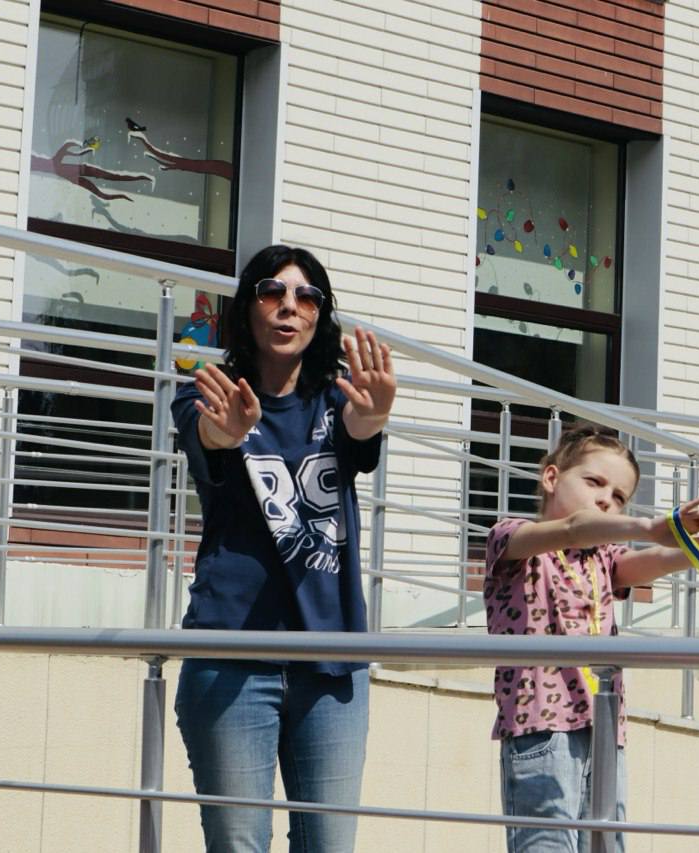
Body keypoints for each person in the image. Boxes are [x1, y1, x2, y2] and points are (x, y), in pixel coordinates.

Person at [486, 424, 699, 853]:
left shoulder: (602, 559)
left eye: (619, 496)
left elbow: (656, 559)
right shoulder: (511, 537)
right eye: (594, 482)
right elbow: (574, 528)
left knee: (607, 846)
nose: (606, 499)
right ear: (551, 478)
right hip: (540, 727)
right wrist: (648, 526)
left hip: (603, 728)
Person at [170, 244, 396, 852]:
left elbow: (358, 434)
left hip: (332, 661)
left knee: (329, 846)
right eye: (272, 291)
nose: (288, 306)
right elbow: (208, 435)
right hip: (231, 654)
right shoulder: (208, 394)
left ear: (320, 315)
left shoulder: (338, 399)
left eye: (306, 296)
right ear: (248, 308)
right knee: (239, 844)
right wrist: (227, 431)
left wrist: (374, 417)